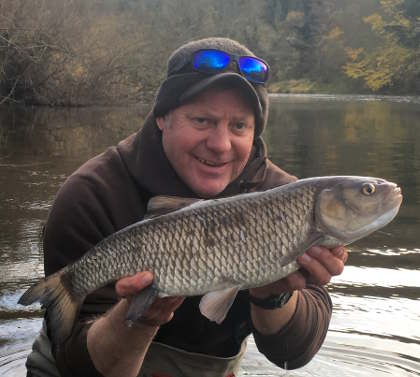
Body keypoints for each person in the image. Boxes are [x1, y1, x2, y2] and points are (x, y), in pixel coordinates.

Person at [25, 37, 348, 377]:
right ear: (162, 117)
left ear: (254, 132)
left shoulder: (287, 199)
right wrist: (139, 317)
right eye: (202, 121)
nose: (220, 145)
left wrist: (272, 295)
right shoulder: (91, 194)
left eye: (238, 126)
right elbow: (76, 365)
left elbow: (292, 356)